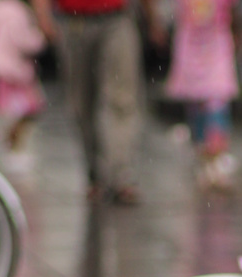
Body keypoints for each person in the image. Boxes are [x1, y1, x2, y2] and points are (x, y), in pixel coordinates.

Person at [30, 0, 164, 203]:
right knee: (82, 102)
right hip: (74, 21)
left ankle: (120, 175)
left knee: (120, 99)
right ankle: (96, 172)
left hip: (117, 18)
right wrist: (43, 15)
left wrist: (153, 17)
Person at [165, 0, 239, 190]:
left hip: (215, 50)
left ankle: (215, 160)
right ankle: (205, 160)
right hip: (191, 50)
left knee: (215, 105)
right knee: (197, 108)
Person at [0, 0, 46, 163]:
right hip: (17, 72)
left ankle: (8, 143)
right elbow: (24, 41)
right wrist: (40, 39)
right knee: (30, 109)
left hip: (0, 69)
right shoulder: (19, 12)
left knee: (7, 110)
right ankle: (13, 146)